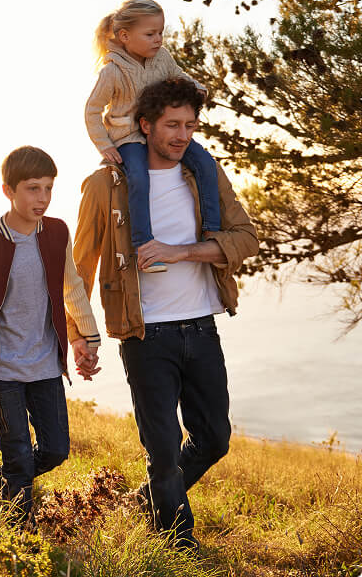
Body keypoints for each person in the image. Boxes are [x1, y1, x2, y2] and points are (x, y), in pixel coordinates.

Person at [73, 78, 258, 551]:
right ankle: (178, 543)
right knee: (162, 450)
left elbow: (246, 238)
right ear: (145, 125)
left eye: (190, 125)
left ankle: (148, 501)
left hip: (201, 326)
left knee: (214, 438)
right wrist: (80, 336)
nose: (182, 135)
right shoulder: (105, 186)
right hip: (144, 334)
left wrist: (182, 252)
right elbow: (80, 268)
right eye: (172, 124)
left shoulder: (204, 175)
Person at [0, 145, 101, 527]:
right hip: (2, 369)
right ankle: (21, 537)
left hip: (46, 365)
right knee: (18, 454)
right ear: (8, 191)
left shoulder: (56, 233)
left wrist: (89, 338)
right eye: (33, 189)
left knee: (55, 450)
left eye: (48, 188)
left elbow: (73, 288)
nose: (43, 198)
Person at [85, 0, 220, 273]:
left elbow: (179, 76)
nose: (158, 39)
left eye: (160, 32)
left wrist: (197, 87)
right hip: (129, 137)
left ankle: (212, 232)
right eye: (150, 34)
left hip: (161, 132)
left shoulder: (162, 57)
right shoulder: (112, 71)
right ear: (125, 36)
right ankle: (144, 245)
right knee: (138, 177)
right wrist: (105, 145)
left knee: (206, 164)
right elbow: (92, 111)